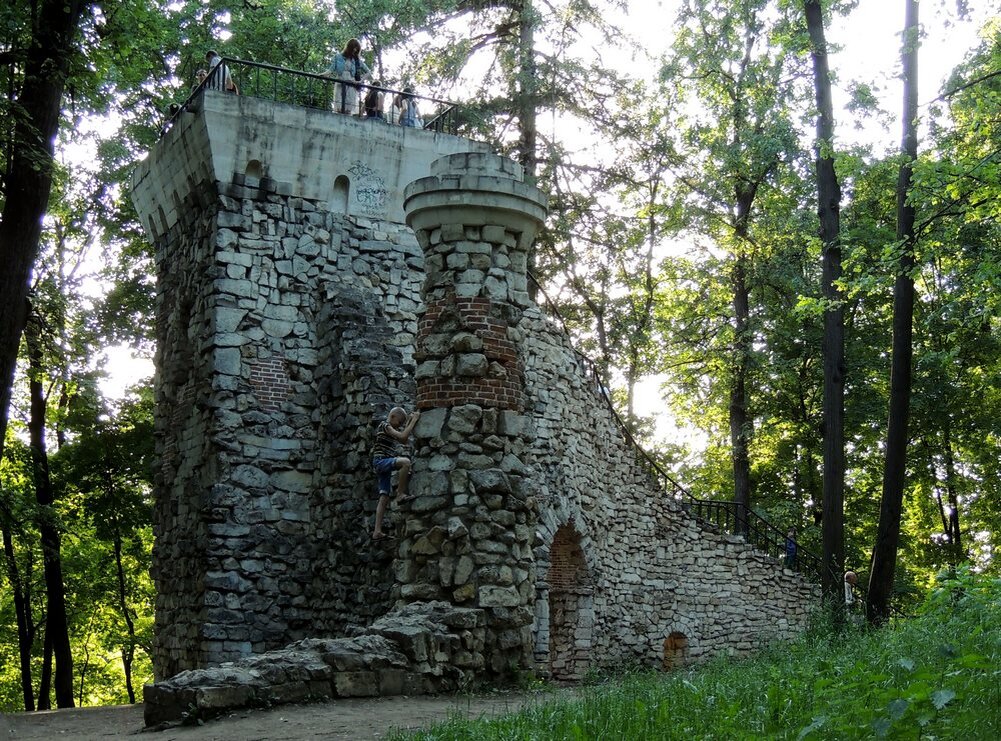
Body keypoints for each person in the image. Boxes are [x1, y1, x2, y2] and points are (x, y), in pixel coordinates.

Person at [371, 406, 420, 541]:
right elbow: (404, 436)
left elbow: (403, 439)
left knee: (384, 496)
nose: (399, 426)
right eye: (399, 422)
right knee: (405, 462)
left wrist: (408, 422)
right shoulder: (385, 425)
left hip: (382, 464)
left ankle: (377, 531)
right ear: (392, 417)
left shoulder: (391, 428)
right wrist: (414, 420)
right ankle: (400, 494)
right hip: (381, 461)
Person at [321, 38, 370, 114]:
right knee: (339, 108)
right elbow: (330, 70)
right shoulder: (338, 57)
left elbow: (368, 72)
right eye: (353, 48)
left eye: (357, 49)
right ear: (349, 47)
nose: (354, 51)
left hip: (351, 86)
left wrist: (360, 81)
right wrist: (323, 74)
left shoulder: (357, 61)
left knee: (348, 110)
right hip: (340, 83)